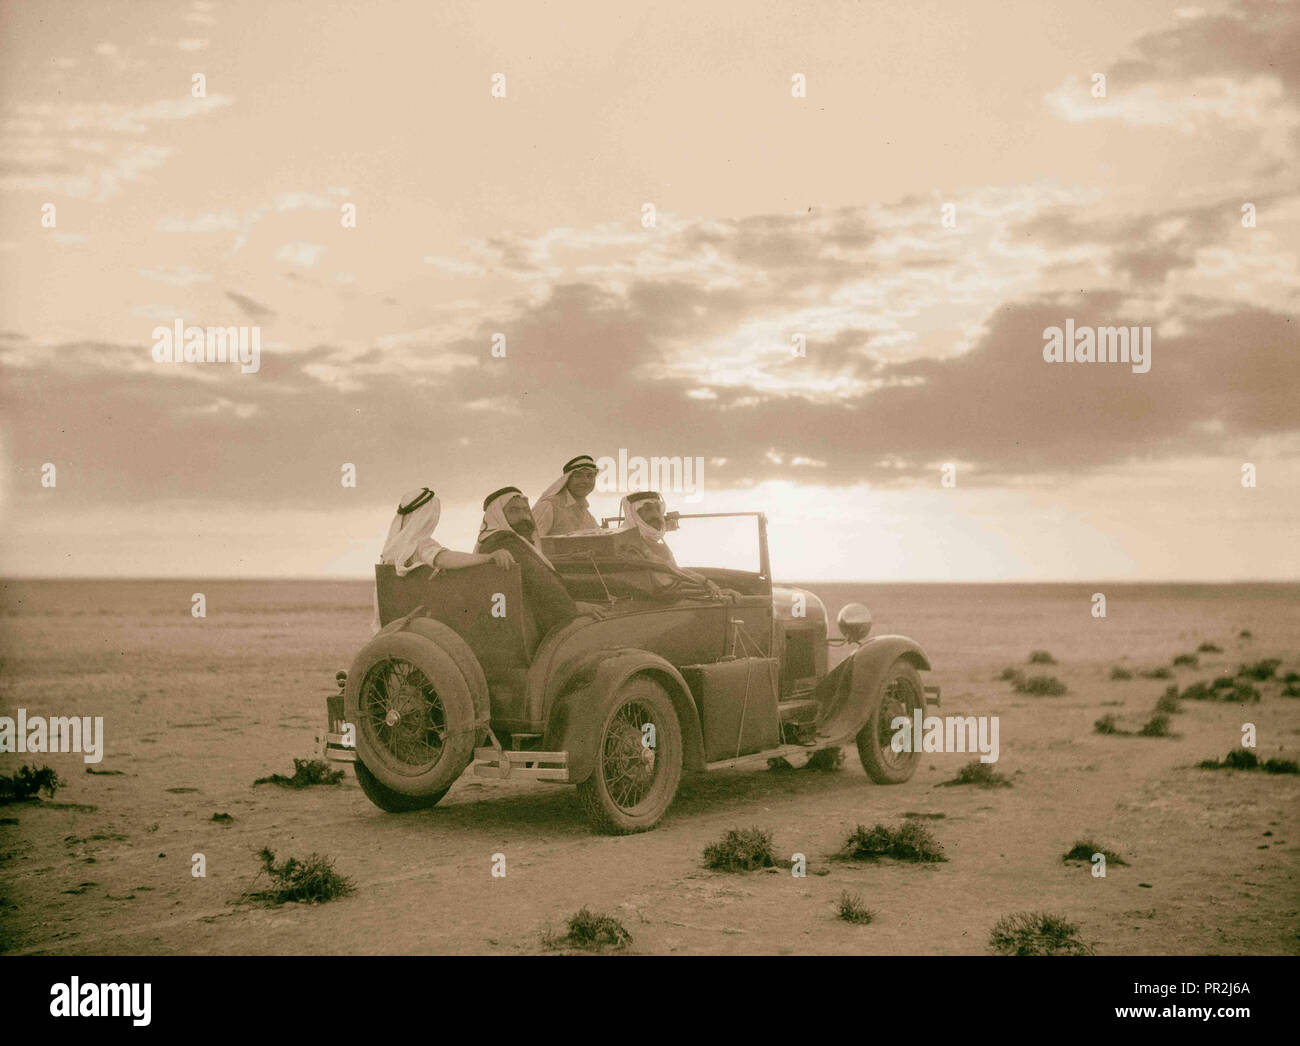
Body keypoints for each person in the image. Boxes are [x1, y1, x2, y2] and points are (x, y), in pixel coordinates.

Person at [371, 486, 513, 631]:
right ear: (426, 516)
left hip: (390, 623)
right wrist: (488, 557)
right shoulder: (418, 544)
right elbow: (443, 559)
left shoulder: (392, 547)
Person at [475, 486, 607, 634]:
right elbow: (538, 579)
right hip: (530, 624)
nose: (524, 516)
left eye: (525, 510)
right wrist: (573, 606)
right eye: (514, 511)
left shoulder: (511, 540)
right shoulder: (503, 541)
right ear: (497, 515)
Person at [617, 491, 721, 596]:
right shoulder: (627, 544)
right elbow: (665, 582)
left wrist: (706, 582)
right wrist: (705, 585)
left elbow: (673, 570)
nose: (656, 515)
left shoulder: (656, 544)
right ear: (633, 515)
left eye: (658, 509)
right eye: (648, 509)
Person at [532, 454, 600, 537]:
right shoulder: (549, 506)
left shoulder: (588, 516)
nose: (585, 481)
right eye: (578, 476)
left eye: (590, 476)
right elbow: (530, 543)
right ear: (567, 479)